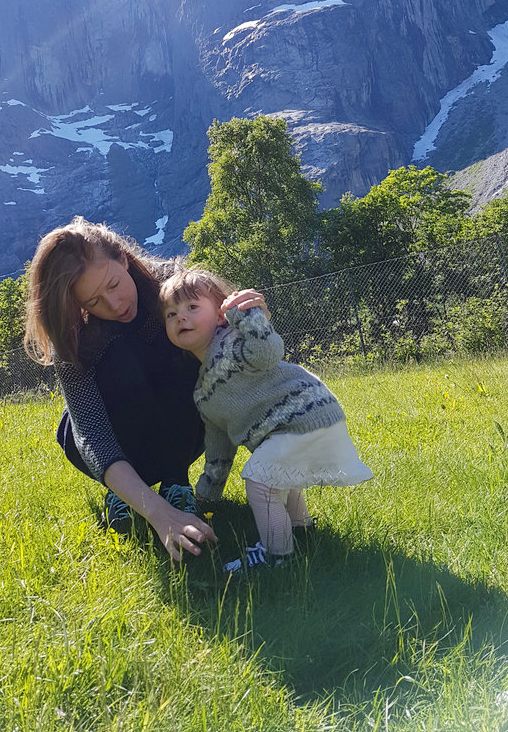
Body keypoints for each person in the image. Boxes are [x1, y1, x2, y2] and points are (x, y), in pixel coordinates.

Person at [25, 216, 270, 561]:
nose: (113, 305)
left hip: (184, 431)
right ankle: (127, 491)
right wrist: (157, 513)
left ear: (123, 259)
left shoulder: (177, 288)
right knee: (119, 363)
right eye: (93, 301)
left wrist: (254, 320)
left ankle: (176, 480)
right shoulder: (73, 334)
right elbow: (91, 433)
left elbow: (238, 358)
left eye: (113, 284)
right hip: (115, 443)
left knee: (179, 352)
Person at [159, 268, 373, 572]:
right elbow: (218, 449)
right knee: (278, 475)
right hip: (305, 418)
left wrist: (246, 316)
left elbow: (268, 351)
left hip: (302, 413)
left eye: (192, 308)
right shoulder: (203, 393)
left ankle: (277, 556)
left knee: (260, 481)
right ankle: (302, 531)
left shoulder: (231, 343)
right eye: (171, 314)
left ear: (220, 316)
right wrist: (207, 494)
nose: (181, 317)